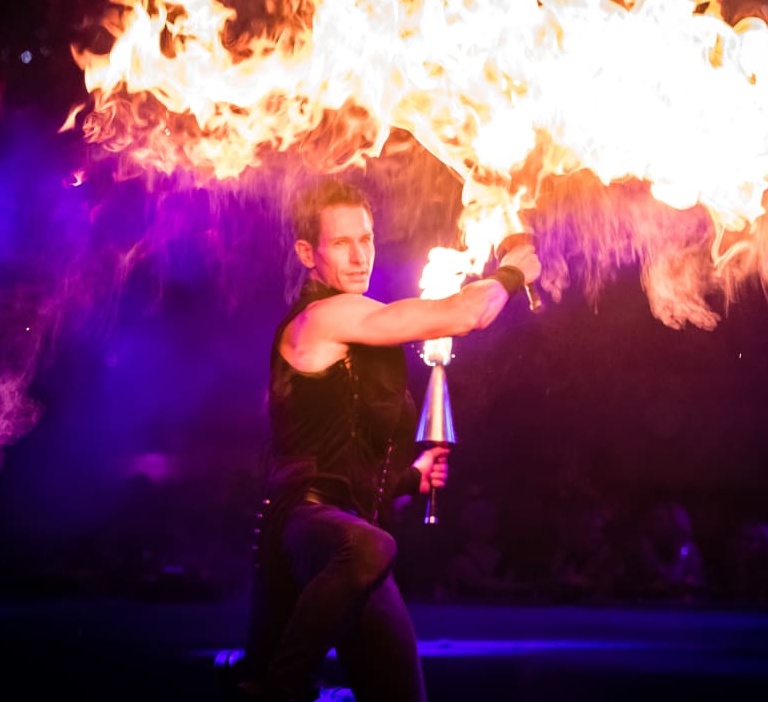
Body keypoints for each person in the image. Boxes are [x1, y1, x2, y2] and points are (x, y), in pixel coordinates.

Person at [230, 177, 541, 702]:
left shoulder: (365, 327)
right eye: (341, 242)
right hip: (306, 527)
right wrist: (514, 271)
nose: (359, 255)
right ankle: (282, 688)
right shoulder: (324, 316)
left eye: (366, 239)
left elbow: (347, 454)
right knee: (372, 546)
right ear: (309, 253)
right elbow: (467, 313)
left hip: (351, 540)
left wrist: (408, 478)